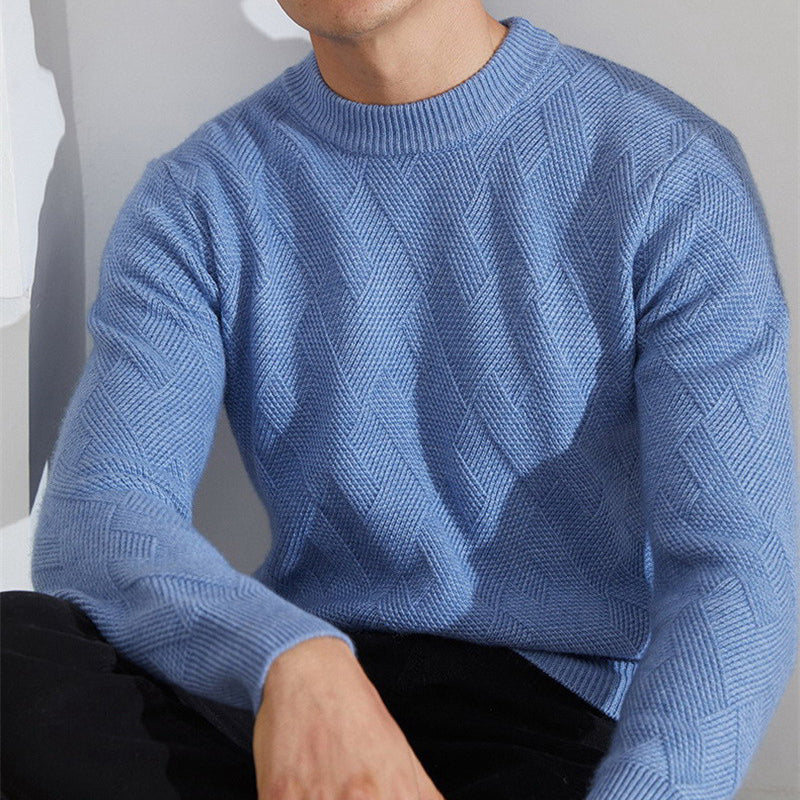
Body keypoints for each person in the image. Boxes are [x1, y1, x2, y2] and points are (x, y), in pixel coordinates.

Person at [2, 1, 797, 798]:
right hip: (306, 700)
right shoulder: (197, 198)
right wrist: (290, 661)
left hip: (546, 720)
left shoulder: (669, 172)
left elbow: (737, 570)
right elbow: (102, 515)